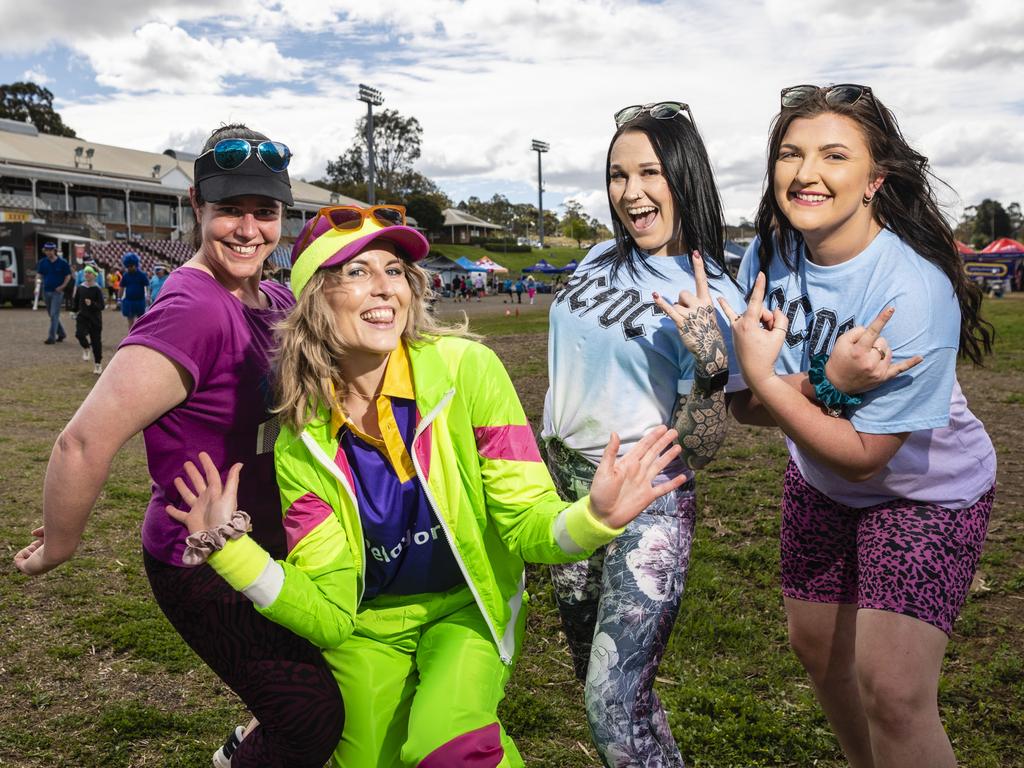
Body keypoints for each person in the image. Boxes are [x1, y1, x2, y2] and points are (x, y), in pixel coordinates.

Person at [165, 206, 690, 768]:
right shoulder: (302, 443)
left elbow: (527, 523)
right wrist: (235, 554)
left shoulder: (469, 372)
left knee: (450, 751)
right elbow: (331, 613)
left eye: (395, 271)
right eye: (358, 272)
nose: (385, 288)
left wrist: (594, 517)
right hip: (369, 628)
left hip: (465, 611)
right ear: (316, 301)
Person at [14, 124, 344, 768]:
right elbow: (82, 442)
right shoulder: (194, 307)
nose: (249, 229)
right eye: (229, 211)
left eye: (266, 212)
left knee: (313, 697)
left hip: (270, 543)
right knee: (309, 720)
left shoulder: (270, 294)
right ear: (196, 206)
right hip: (202, 556)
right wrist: (60, 545)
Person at [725, 84, 996, 768]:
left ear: (875, 179)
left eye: (833, 155)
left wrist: (772, 381)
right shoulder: (766, 258)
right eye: (790, 153)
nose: (805, 171)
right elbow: (742, 406)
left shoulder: (915, 289)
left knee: (895, 691)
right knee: (820, 657)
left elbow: (865, 454)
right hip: (820, 484)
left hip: (927, 493)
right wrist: (826, 382)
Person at [541, 101, 747, 767]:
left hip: (643, 499)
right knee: (608, 689)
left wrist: (711, 362)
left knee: (610, 697)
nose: (631, 192)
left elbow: (704, 448)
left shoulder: (715, 291)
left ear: (683, 176)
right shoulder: (601, 255)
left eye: (649, 172)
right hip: (566, 493)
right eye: (617, 175)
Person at [37, 241, 71, 344]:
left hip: (57, 292)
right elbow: (39, 275)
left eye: (51, 250)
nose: (49, 252)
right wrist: (37, 286)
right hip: (46, 291)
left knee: (54, 313)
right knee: (52, 315)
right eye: (47, 250)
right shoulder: (42, 262)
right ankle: (62, 333)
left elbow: (68, 276)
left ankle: (51, 337)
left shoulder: (62, 263)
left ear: (54, 250)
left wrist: (62, 286)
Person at [73, 265, 105, 374]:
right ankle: (86, 347)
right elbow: (76, 301)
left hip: (95, 319)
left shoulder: (97, 289)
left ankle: (98, 364)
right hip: (82, 317)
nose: (86, 274)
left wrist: (92, 304)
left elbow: (102, 306)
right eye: (85, 272)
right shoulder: (81, 287)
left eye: (89, 272)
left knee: (96, 342)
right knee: (79, 334)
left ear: (94, 275)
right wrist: (73, 311)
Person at [119, 253, 149, 329]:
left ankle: (140, 336)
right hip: (129, 301)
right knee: (130, 321)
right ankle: (131, 336)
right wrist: (119, 298)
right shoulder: (125, 275)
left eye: (131, 266)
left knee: (141, 320)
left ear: (136, 265)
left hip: (140, 301)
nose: (129, 268)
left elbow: (147, 285)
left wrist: (148, 296)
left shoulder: (142, 275)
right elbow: (121, 287)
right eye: (128, 266)